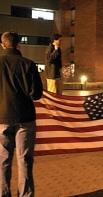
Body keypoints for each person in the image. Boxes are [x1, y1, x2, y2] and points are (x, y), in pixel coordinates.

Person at [0, 32, 43, 196]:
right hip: (25, 118)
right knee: (24, 160)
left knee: (3, 160)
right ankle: (25, 194)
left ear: (3, 44)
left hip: (1, 118)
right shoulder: (28, 64)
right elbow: (36, 94)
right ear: (19, 45)